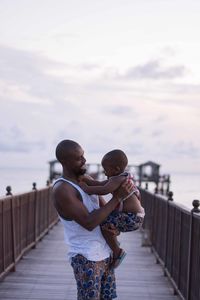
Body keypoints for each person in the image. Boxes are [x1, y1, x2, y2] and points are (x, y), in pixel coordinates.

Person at [52, 139, 138, 300]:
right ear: (64, 161)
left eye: (83, 155)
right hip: (86, 257)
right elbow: (89, 223)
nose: (84, 160)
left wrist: (116, 228)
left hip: (105, 254)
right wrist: (118, 197)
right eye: (79, 158)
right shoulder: (62, 189)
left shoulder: (84, 179)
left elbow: (105, 211)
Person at [79, 149, 145, 269]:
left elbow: (105, 190)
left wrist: (87, 189)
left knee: (102, 221)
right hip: (133, 217)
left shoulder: (117, 179)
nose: (104, 172)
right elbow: (102, 184)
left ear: (116, 169)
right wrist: (89, 181)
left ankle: (117, 251)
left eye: (106, 169)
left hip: (131, 217)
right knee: (106, 221)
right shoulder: (120, 177)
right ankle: (114, 239)